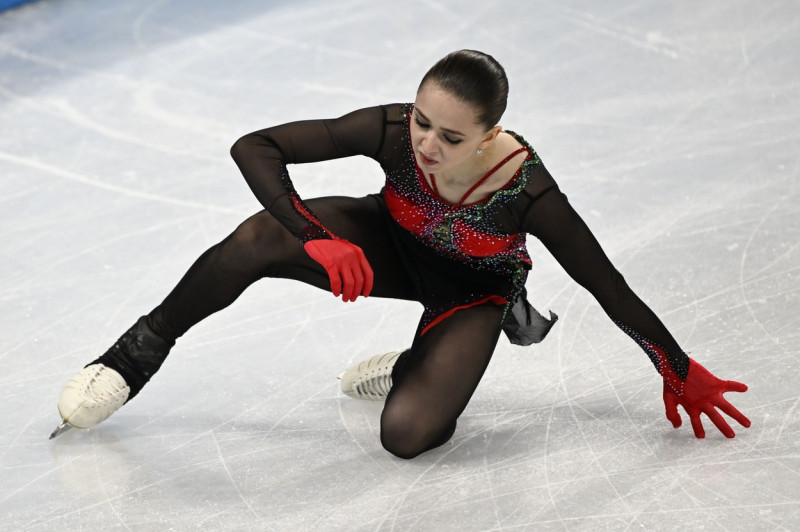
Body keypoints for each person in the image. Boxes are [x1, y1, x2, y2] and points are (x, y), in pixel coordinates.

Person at [52, 50, 751, 458]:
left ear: (488, 134)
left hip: (472, 288)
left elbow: (609, 284)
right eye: (421, 121)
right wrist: (315, 234)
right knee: (259, 236)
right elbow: (255, 146)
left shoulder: (530, 195)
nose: (425, 144)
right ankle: (133, 354)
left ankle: (414, 364)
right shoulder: (390, 130)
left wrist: (676, 366)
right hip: (387, 242)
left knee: (408, 436)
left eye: (449, 135)